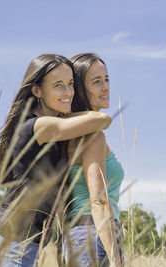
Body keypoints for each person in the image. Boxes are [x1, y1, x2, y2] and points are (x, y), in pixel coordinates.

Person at [0, 54, 112, 267]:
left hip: (27, 242)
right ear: (37, 91)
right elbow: (102, 120)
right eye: (58, 86)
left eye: (71, 84)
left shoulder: (52, 125)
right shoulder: (37, 127)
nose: (68, 92)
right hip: (14, 241)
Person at [63, 53, 124, 267]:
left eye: (106, 79)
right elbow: (99, 202)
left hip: (78, 235)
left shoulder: (72, 132)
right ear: (80, 89)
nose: (106, 87)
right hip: (95, 233)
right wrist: (115, 258)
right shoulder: (93, 137)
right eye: (96, 82)